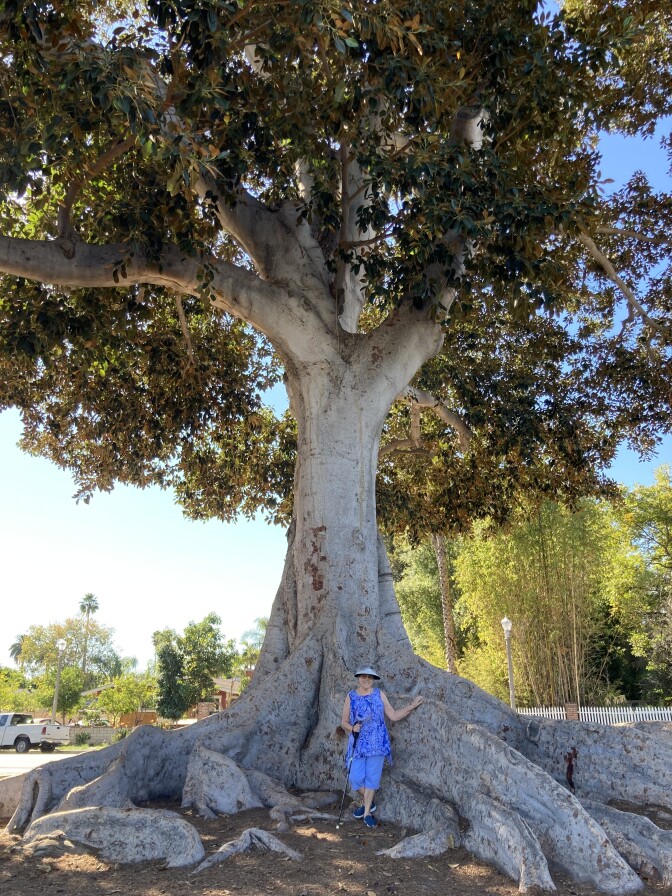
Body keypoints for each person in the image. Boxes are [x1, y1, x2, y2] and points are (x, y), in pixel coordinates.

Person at [341, 665, 424, 827]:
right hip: (358, 744)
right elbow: (343, 722)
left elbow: (393, 715)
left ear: (373, 680)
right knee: (355, 778)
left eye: (369, 677)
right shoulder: (351, 696)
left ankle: (366, 814)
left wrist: (411, 706)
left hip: (378, 742)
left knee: (372, 778)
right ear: (359, 678)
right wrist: (352, 728)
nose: (366, 680)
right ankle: (368, 802)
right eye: (363, 677)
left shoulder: (379, 694)